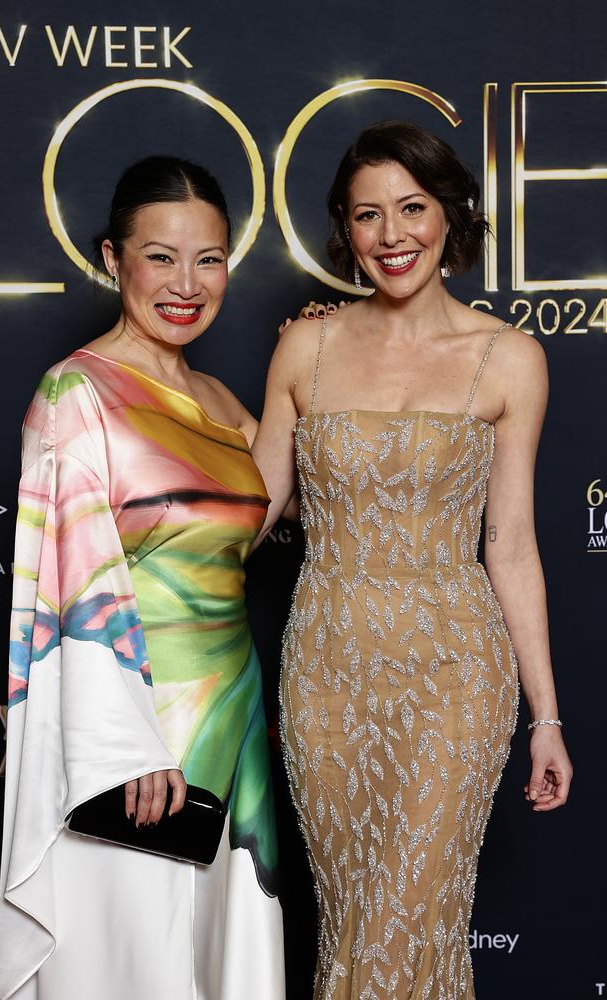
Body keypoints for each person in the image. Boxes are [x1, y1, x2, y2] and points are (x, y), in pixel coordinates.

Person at [252, 121, 572, 1000]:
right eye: (368, 216)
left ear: (451, 214)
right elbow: (250, 512)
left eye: (412, 208)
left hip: (454, 673)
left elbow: (510, 544)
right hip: (327, 672)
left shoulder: (509, 359)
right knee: (354, 922)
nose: (392, 235)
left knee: (409, 918)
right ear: (344, 232)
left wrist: (544, 717)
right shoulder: (303, 347)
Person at [0, 156, 284, 1000]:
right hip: (132, 742)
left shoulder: (224, 403)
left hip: (232, 727)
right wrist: (124, 748)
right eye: (160, 257)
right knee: (133, 966)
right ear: (111, 258)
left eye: (209, 258)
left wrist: (321, 349)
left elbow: (287, 503)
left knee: (215, 961)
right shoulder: (76, 394)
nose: (186, 284)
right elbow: (72, 584)